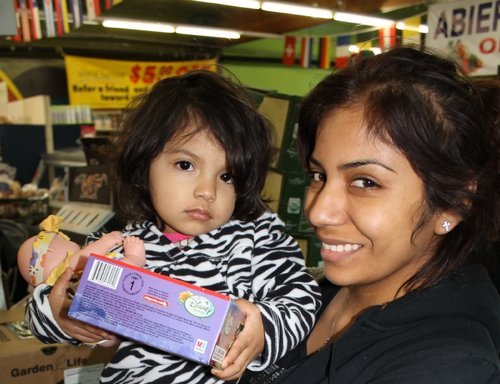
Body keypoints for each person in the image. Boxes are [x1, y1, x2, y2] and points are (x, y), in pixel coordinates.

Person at [24, 70, 322, 384]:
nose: (207, 190)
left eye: (227, 176)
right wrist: (60, 312)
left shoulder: (255, 241)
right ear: (144, 165)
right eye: (185, 165)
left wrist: (263, 328)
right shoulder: (117, 245)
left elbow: (303, 297)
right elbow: (39, 315)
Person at [238, 46, 500, 383]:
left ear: (455, 203)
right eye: (318, 176)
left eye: (365, 182)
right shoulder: (310, 294)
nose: (318, 212)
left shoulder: (445, 365)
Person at [17, 214, 145, 287]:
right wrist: (107, 241)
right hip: (113, 283)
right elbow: (83, 257)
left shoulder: (55, 285)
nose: (70, 241)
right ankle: (135, 259)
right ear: (50, 250)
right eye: (64, 240)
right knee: (123, 269)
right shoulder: (61, 272)